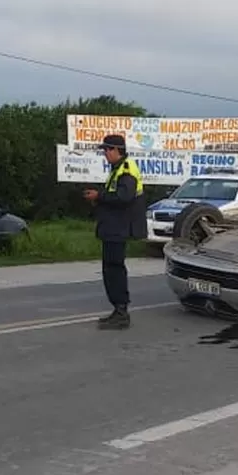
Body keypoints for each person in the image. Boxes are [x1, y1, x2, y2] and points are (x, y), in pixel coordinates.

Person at [83, 134, 146, 329]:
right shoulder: (118, 169)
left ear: (118, 150)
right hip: (113, 227)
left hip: (119, 228)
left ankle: (121, 312)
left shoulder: (126, 170)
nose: (105, 153)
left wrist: (99, 196)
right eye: (104, 150)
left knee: (114, 270)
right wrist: (99, 199)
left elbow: (124, 197)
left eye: (108, 149)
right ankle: (118, 310)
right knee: (110, 269)